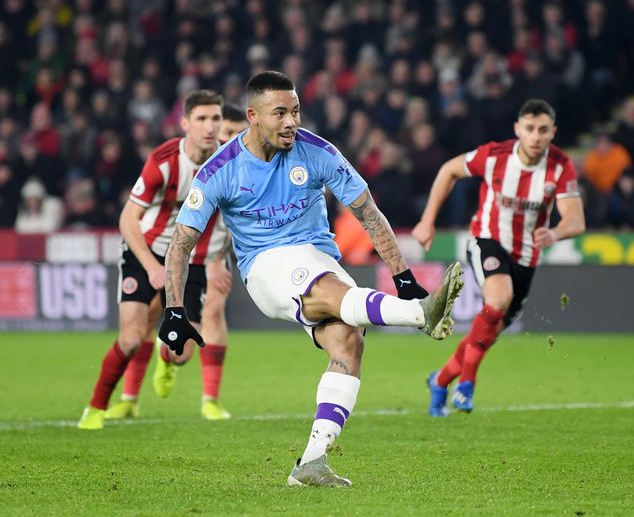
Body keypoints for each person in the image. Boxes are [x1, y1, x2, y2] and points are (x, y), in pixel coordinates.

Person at [158, 71, 464, 488]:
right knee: (330, 290)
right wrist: (174, 309)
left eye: (296, 111)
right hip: (265, 266)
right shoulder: (220, 170)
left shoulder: (318, 152)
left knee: (348, 344)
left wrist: (404, 275)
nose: (291, 121)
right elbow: (181, 242)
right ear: (252, 116)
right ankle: (419, 315)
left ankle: (312, 463)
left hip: (318, 255)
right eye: (279, 112)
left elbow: (368, 213)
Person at [411, 99, 585, 417]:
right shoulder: (494, 156)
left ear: (552, 133)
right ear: (518, 129)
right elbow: (449, 170)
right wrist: (427, 220)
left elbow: (575, 221)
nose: (535, 136)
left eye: (542, 130)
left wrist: (556, 234)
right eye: (529, 129)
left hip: (527, 257)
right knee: (500, 296)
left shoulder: (560, 166)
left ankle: (440, 380)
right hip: (487, 240)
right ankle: (467, 385)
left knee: (487, 333)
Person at [77, 90, 229, 430]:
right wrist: (151, 267)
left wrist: (219, 257)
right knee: (131, 337)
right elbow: (128, 220)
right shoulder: (164, 160)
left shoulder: (229, 162)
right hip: (145, 251)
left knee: (183, 353)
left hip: (192, 261)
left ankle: (165, 351)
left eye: (215, 119)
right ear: (185, 123)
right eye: (202, 119)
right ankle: (96, 408)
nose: (209, 126)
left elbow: (234, 218)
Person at [103, 101, 249, 423]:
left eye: (239, 134)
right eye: (226, 132)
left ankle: (210, 398)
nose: (229, 139)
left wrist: (218, 259)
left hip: (213, 252)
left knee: (214, 308)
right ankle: (131, 396)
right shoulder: (195, 160)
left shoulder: (243, 163)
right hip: (181, 249)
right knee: (151, 313)